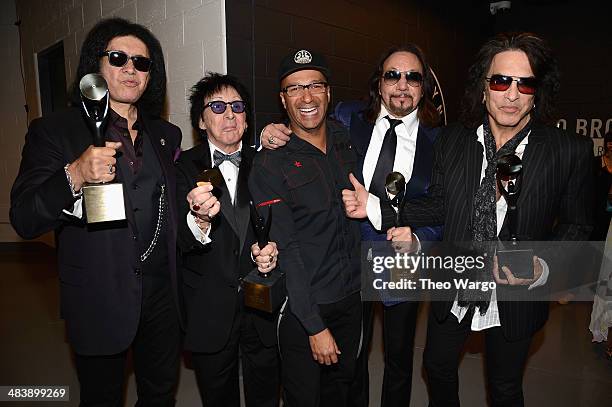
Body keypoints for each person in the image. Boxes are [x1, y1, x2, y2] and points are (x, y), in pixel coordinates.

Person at [344, 32, 593, 406]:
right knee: (437, 367)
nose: (511, 94)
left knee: (505, 386)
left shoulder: (568, 152)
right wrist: (376, 208)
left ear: (537, 93)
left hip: (517, 293)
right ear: (483, 88)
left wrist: (543, 267)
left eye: (524, 84)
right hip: (457, 281)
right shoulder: (455, 141)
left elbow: (578, 226)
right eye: (500, 81)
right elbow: (438, 204)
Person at [10, 18, 183, 406]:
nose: (131, 69)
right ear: (96, 65)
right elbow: (24, 217)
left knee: (160, 395)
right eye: (119, 58)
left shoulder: (165, 135)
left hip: (162, 296)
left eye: (142, 63)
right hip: (99, 295)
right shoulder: (55, 130)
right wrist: (73, 174)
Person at [261, 44, 443, 407]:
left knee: (398, 359)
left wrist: (420, 238)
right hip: (350, 261)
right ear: (379, 83)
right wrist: (266, 135)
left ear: (425, 88)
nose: (402, 85)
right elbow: (304, 124)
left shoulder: (439, 140)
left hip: (402, 261)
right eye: (392, 75)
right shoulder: (349, 117)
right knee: (353, 357)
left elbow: (441, 208)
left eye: (413, 77)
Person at [249, 49, 362, 406]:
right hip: (304, 309)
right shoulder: (270, 165)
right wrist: (314, 326)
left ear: (329, 93)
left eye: (315, 85)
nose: (307, 97)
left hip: (352, 299)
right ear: (283, 100)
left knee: (341, 393)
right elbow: (289, 251)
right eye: (295, 89)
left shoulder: (346, 140)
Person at [175, 72, 281, 406]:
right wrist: (200, 220)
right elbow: (177, 237)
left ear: (248, 120)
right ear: (201, 120)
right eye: (217, 106)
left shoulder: (265, 164)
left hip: (261, 301)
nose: (230, 114)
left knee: (265, 392)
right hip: (209, 306)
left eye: (237, 106)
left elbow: (283, 222)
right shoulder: (180, 168)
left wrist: (274, 248)